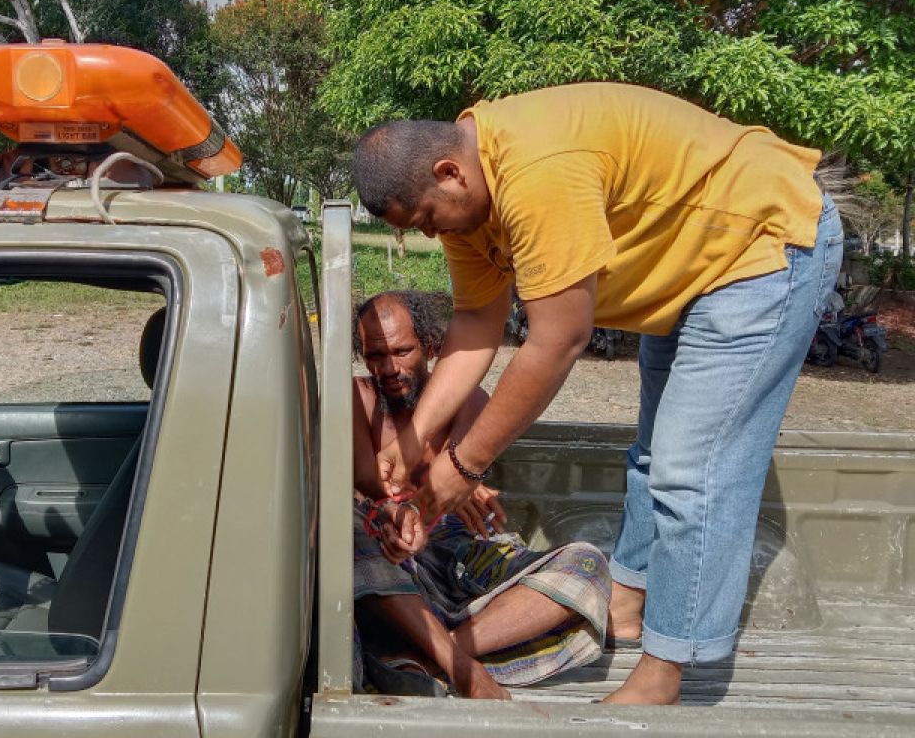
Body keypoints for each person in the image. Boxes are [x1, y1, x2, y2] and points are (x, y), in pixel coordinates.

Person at [351, 83, 843, 705]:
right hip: (689, 274)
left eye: (424, 219)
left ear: (449, 173)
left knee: (695, 473)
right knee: (654, 456)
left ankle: (666, 672)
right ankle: (629, 605)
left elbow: (557, 341)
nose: (428, 234)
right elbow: (477, 322)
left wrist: (461, 466)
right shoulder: (471, 198)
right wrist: (418, 437)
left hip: (760, 247)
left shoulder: (536, 172)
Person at [351, 291, 610, 699]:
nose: (388, 368)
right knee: (349, 539)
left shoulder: (470, 399)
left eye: (401, 352)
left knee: (588, 567)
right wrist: (438, 492)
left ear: (431, 346)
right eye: (375, 355)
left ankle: (441, 655)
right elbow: (370, 483)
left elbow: (459, 468)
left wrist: (454, 487)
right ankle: (461, 665)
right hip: (393, 559)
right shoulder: (359, 398)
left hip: (462, 554)